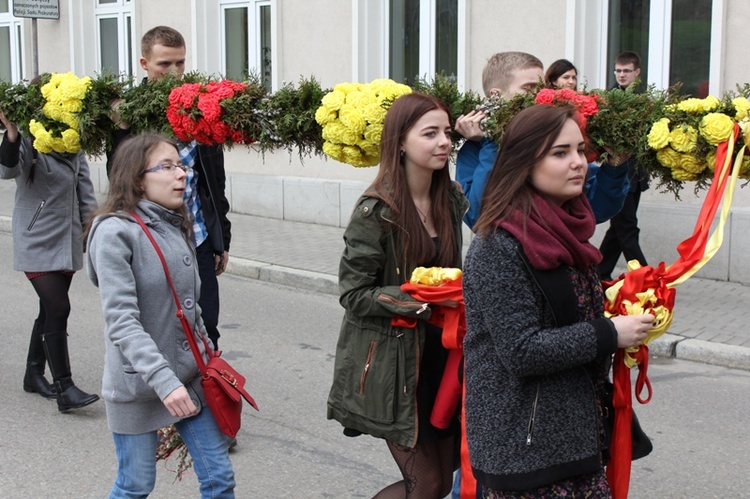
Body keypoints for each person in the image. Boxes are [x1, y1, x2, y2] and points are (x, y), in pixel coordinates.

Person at [462, 105, 654, 497]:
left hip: (574, 436)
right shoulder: (498, 244)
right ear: (523, 162)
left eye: (581, 150)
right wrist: (608, 332)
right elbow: (522, 350)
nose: (578, 163)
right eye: (560, 153)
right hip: (525, 449)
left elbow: (567, 317)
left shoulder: (568, 231)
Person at [327, 93, 468, 498]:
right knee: (427, 483)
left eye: (446, 132)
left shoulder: (449, 199)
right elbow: (354, 294)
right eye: (430, 133)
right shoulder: (377, 210)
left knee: (443, 479)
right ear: (401, 142)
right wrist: (422, 300)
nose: (444, 141)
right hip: (395, 363)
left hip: (443, 357)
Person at [86, 133, 236, 498]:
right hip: (139, 384)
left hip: (189, 377)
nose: (181, 175)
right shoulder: (114, 233)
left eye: (181, 166)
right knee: (135, 483)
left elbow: (191, 306)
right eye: (166, 167)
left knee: (219, 479)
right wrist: (163, 381)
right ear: (138, 178)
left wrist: (208, 357)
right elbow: (122, 321)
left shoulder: (175, 222)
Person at [107, 26, 231, 351]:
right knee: (159, 327)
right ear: (144, 63)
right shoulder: (129, 112)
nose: (175, 72)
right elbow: (117, 177)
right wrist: (121, 130)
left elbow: (214, 181)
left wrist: (222, 240)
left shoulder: (197, 106)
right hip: (151, 239)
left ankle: (207, 397)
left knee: (208, 327)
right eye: (165, 64)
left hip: (197, 236)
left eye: (180, 63)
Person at [455, 51, 629, 229]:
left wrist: (615, 167)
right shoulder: (476, 148)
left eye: (541, 87)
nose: (538, 96)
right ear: (496, 96)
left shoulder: (553, 138)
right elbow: (478, 217)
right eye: (529, 88)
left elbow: (596, 209)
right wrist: (492, 144)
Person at [0, 105, 100, 412]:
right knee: (59, 306)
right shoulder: (29, 141)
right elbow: (6, 170)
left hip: (66, 239)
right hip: (36, 236)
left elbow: (85, 189)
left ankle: (33, 373)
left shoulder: (73, 143)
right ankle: (65, 387)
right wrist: (13, 134)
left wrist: (91, 229)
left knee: (48, 309)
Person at [598, 51, 649, 280]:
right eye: (618, 70)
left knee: (619, 229)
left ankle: (599, 271)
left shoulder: (643, 100)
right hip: (617, 173)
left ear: (637, 72)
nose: (621, 75)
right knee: (627, 228)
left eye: (626, 71)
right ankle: (644, 277)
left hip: (635, 174)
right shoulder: (609, 100)